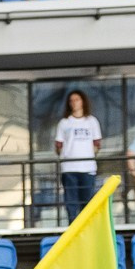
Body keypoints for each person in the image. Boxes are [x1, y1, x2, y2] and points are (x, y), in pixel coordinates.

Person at [53, 89, 102, 218]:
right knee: (71, 201)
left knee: (87, 201)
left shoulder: (91, 121)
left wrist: (89, 155)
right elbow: (58, 144)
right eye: (71, 101)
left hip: (87, 168)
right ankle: (72, 226)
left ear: (83, 102)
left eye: (77, 100)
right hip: (69, 168)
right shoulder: (64, 123)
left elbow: (97, 143)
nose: (74, 103)